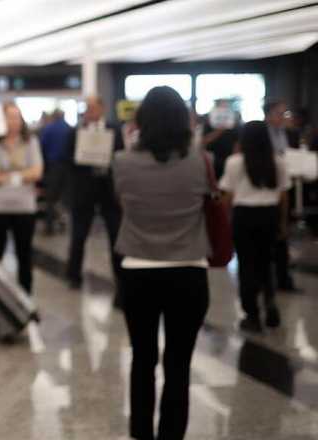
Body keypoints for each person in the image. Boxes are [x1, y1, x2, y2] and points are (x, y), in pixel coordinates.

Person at [112, 86, 211, 440]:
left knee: (143, 360)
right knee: (179, 365)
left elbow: (124, 204)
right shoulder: (202, 162)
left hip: (139, 270)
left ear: (141, 121)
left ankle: (141, 433)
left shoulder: (122, 162)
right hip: (189, 270)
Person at [221, 121, 290, 332]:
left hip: (244, 216)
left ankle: (252, 314)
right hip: (269, 214)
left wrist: (226, 219)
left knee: (246, 265)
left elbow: (228, 196)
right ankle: (270, 302)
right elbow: (283, 196)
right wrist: (282, 222)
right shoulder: (278, 162)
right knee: (266, 262)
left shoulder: (234, 162)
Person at [65, 96, 125, 296]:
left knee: (115, 235)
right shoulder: (76, 132)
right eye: (87, 108)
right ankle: (73, 275)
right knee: (78, 235)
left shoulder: (114, 129)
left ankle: (121, 278)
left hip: (108, 191)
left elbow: (121, 156)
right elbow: (67, 159)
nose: (90, 112)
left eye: (93, 108)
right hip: (84, 191)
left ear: (101, 108)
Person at [0, 101, 43, 293]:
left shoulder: (30, 141)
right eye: (9, 117)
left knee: (24, 255)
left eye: (16, 117)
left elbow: (37, 172)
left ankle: (26, 297)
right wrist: (21, 175)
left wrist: (7, 177)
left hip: (24, 207)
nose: (13, 121)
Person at [263, 98, 298, 291]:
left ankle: (283, 277)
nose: (284, 117)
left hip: (286, 184)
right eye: (279, 113)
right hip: (268, 187)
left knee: (283, 232)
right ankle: (268, 277)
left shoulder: (289, 133)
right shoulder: (261, 133)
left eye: (285, 113)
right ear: (269, 115)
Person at [38, 109, 71, 234]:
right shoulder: (70, 129)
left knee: (51, 198)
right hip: (68, 168)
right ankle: (63, 222)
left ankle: (49, 226)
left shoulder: (49, 129)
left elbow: (42, 147)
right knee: (64, 198)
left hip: (53, 167)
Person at [202, 99, 240, 179]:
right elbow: (204, 142)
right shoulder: (208, 123)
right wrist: (220, 129)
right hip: (212, 159)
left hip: (229, 159)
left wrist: (234, 159)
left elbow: (237, 143)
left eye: (226, 108)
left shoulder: (235, 124)